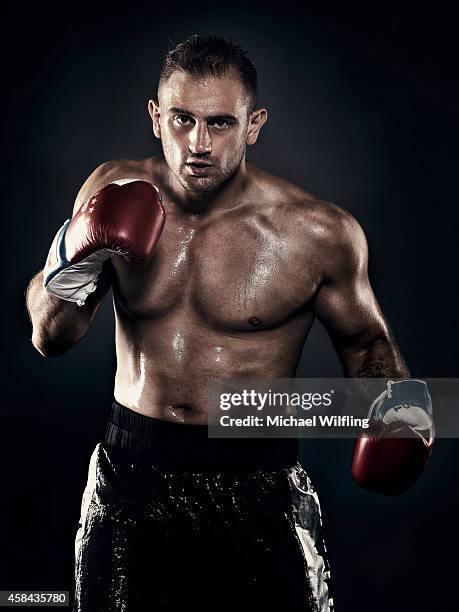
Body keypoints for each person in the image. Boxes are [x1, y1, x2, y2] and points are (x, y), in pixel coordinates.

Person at [26, 35, 418, 612]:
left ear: (254, 124)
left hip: (257, 478)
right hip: (131, 471)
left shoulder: (319, 234)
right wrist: (74, 253)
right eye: (182, 120)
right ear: (155, 116)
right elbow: (49, 339)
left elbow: (366, 341)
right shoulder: (111, 188)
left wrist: (404, 417)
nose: (197, 144)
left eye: (220, 124)